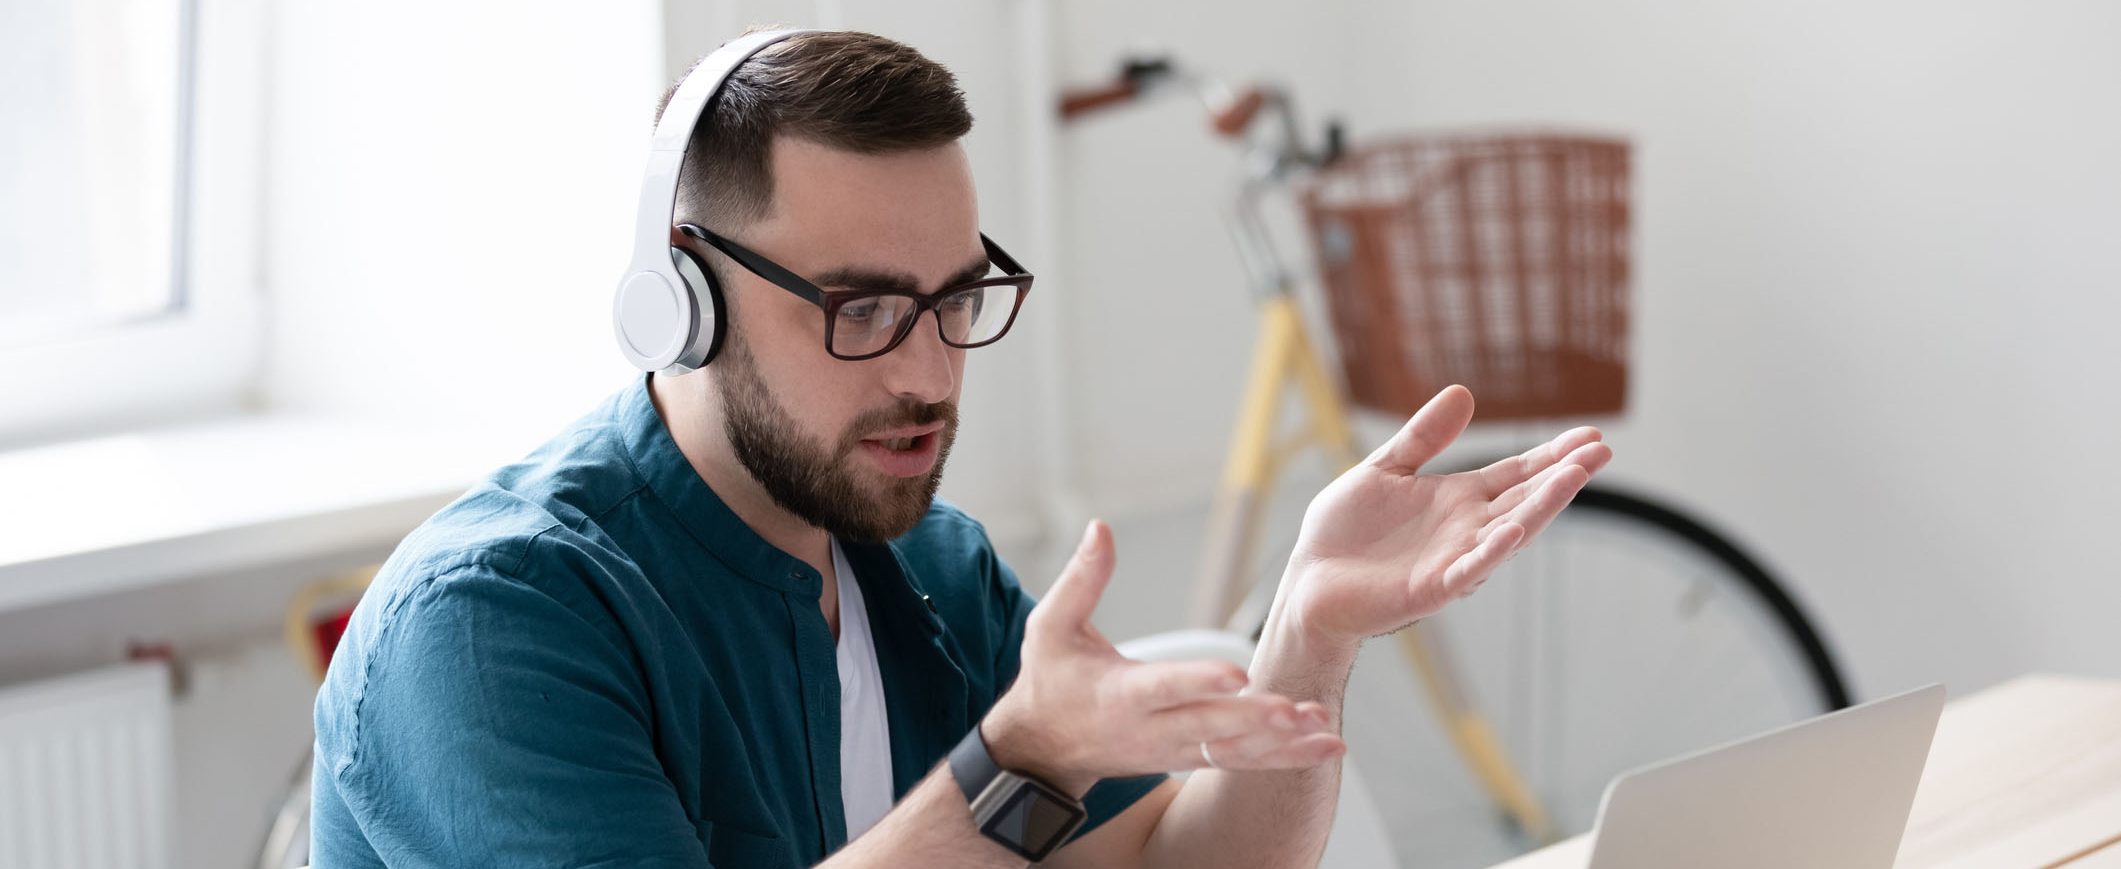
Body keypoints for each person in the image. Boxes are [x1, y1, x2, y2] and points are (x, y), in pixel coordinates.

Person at [309, 28, 1611, 868]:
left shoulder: (922, 562)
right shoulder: (491, 619)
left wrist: (1312, 641)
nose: (930, 374)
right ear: (679, 298)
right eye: (862, 308)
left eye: (954, 300)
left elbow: (1161, 866)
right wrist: (1019, 760)